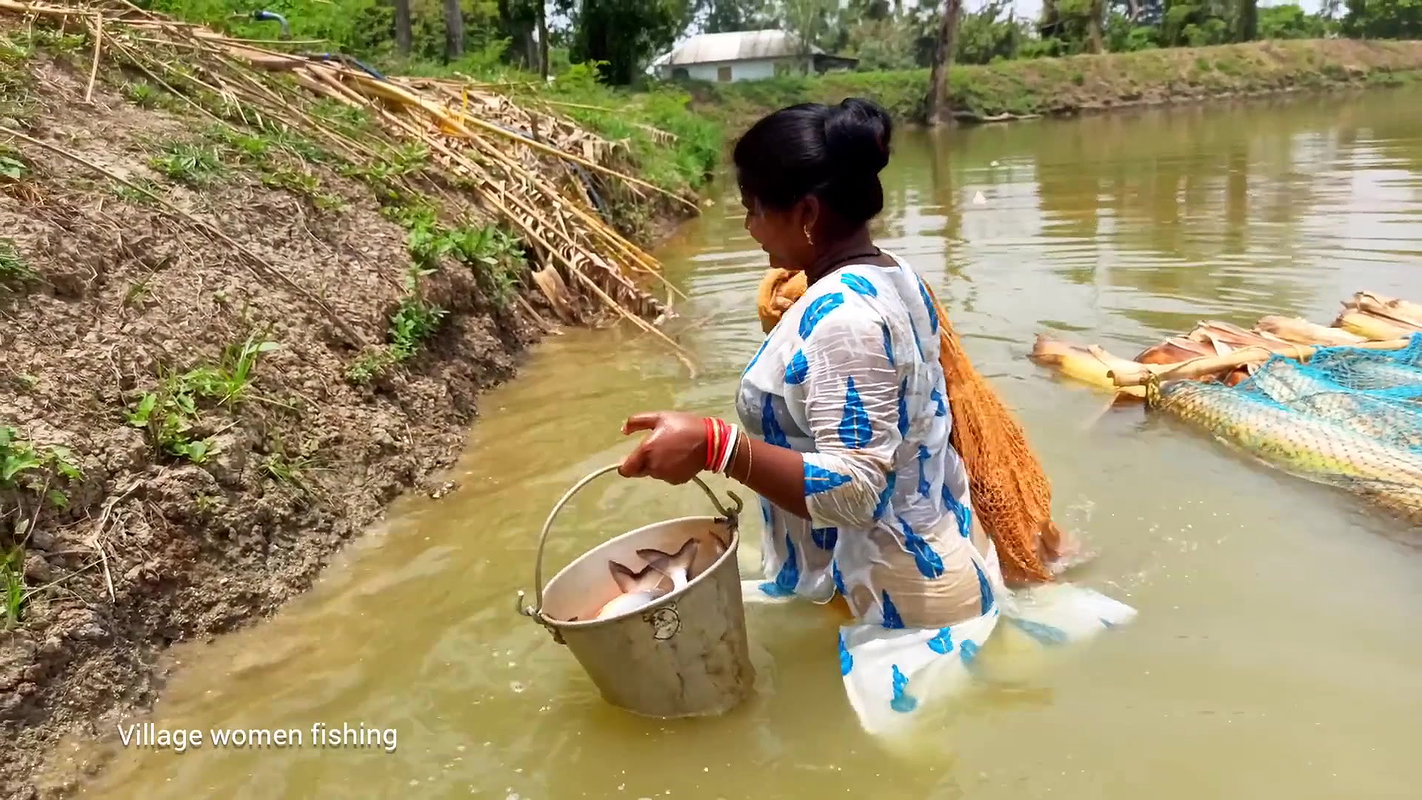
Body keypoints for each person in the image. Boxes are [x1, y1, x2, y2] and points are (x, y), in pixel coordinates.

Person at [617, 98, 1134, 737]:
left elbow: (856, 491)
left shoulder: (844, 321)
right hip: (904, 570)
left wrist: (716, 446)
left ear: (806, 212)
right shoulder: (890, 276)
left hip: (906, 605)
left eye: (753, 205)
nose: (748, 224)